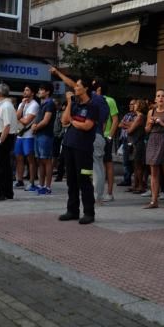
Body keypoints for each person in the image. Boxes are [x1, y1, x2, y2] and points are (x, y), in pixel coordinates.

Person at [59, 75, 98, 224]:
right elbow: (64, 121)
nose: (74, 88)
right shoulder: (74, 105)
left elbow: (87, 126)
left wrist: (73, 121)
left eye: (77, 86)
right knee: (71, 180)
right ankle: (72, 211)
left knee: (84, 181)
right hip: (69, 146)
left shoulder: (92, 106)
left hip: (83, 149)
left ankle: (89, 212)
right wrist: (69, 102)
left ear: (86, 88)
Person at [91, 80, 119, 203]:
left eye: (93, 87)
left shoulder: (109, 100)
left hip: (105, 136)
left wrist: (109, 137)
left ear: (99, 89)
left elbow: (115, 119)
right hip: (96, 136)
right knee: (98, 166)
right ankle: (97, 192)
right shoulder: (93, 100)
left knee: (107, 164)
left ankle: (109, 193)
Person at [0, 84, 19, 201]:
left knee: (1, 166)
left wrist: (0, 140)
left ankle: (2, 192)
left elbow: (7, 125)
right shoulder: (6, 105)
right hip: (5, 137)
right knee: (5, 166)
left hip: (4, 138)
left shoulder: (6, 106)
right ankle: (6, 192)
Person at [31, 83, 56, 195]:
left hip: (46, 135)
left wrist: (36, 126)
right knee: (40, 161)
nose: (39, 91)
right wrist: (34, 126)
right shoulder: (42, 104)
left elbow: (46, 121)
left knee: (47, 160)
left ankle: (48, 187)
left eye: (42, 90)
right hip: (38, 134)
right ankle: (41, 185)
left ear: (47, 92)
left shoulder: (50, 103)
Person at [14, 85, 39, 190]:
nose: (25, 92)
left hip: (29, 136)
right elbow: (16, 117)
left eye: (27, 90)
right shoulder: (21, 103)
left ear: (32, 93)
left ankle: (32, 182)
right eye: (24, 90)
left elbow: (26, 121)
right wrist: (22, 106)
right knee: (18, 157)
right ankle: (19, 180)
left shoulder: (34, 105)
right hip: (20, 135)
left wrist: (19, 117)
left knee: (30, 159)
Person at [118, 98, 138, 188]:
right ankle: (127, 179)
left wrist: (126, 124)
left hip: (132, 140)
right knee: (125, 160)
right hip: (124, 139)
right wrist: (129, 124)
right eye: (130, 104)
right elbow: (120, 124)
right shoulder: (127, 115)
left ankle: (135, 181)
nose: (131, 106)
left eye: (133, 104)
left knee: (133, 161)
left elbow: (133, 125)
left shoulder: (138, 116)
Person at [128, 99, 147, 194]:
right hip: (136, 142)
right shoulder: (138, 117)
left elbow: (130, 130)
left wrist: (128, 126)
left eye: (136, 104)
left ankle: (140, 186)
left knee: (138, 166)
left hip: (138, 142)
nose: (134, 106)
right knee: (135, 165)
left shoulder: (140, 117)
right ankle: (136, 184)